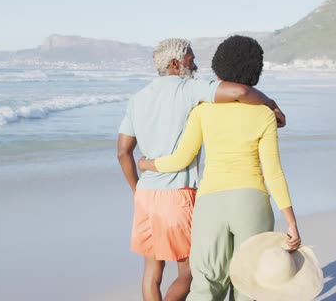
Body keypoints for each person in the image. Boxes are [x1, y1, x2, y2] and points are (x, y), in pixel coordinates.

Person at [117, 38, 285, 301]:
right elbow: (239, 92)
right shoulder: (189, 88)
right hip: (177, 195)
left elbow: (123, 151)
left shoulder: (137, 98)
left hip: (146, 194)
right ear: (175, 64)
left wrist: (136, 188)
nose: (194, 65)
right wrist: (271, 104)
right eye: (190, 60)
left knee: (152, 272)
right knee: (190, 273)